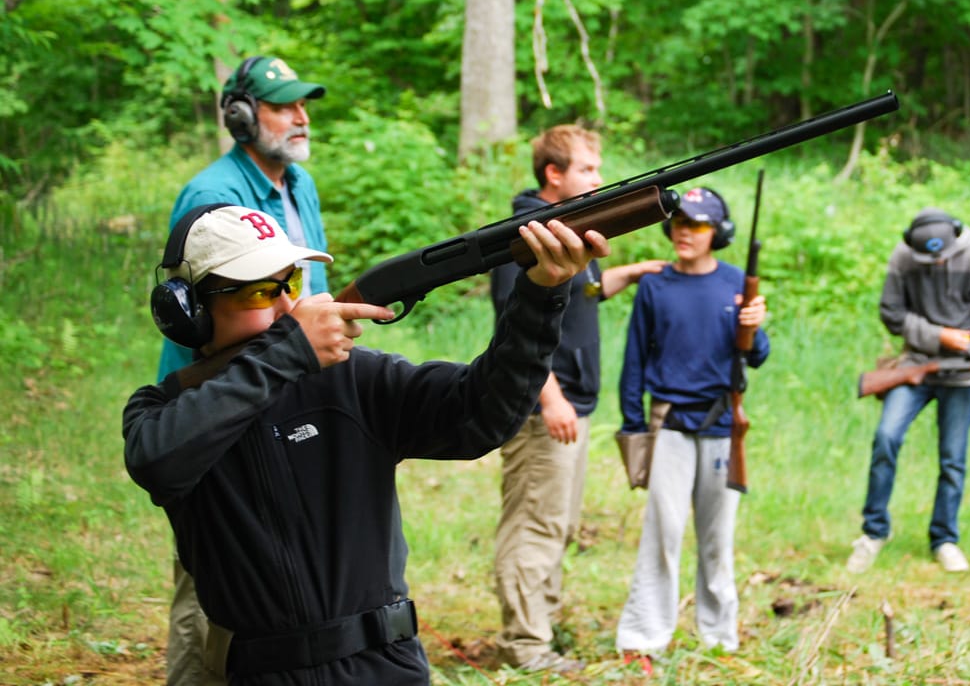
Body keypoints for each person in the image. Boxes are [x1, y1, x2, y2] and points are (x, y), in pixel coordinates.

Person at [124, 204, 609, 685]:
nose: (287, 308)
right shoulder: (163, 409)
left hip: (385, 666)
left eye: (289, 283)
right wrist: (287, 353)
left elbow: (484, 415)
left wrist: (541, 294)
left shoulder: (352, 377)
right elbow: (158, 462)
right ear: (187, 312)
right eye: (257, 293)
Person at [156, 55, 330, 686]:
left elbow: (310, 296)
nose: (301, 117)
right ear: (240, 115)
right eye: (285, 105)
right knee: (209, 591)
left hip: (287, 403)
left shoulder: (299, 184)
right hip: (219, 409)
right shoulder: (211, 196)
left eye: (303, 104)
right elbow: (197, 328)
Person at [489, 124, 665, 673]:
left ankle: (541, 625)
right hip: (547, 405)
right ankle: (524, 645)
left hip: (573, 403)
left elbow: (583, 292)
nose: (599, 178)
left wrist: (629, 274)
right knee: (534, 523)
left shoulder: (566, 230)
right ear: (553, 174)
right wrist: (551, 399)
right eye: (588, 168)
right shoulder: (523, 236)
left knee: (557, 522)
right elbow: (511, 326)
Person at [615, 186, 769, 662]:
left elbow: (757, 355)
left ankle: (720, 639)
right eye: (680, 223)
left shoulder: (736, 281)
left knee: (717, 540)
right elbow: (635, 360)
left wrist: (755, 324)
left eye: (698, 225)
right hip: (670, 426)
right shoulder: (655, 285)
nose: (686, 232)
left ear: (716, 234)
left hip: (723, 426)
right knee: (662, 533)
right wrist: (633, 424)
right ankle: (643, 637)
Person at [845, 207, 970, 575]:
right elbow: (891, 314)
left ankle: (944, 539)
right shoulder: (902, 257)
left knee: (952, 458)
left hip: (962, 372)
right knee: (886, 437)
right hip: (914, 367)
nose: (934, 262)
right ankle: (873, 532)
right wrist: (938, 336)